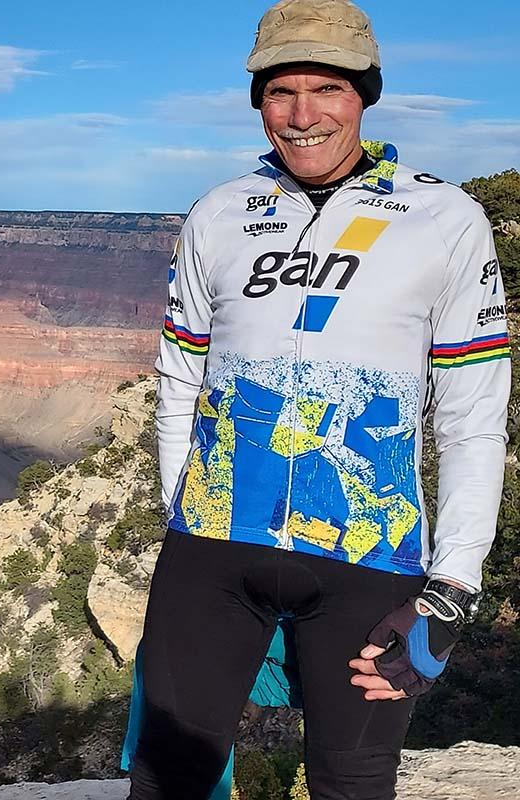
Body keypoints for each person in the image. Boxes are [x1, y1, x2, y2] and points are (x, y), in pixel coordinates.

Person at [135, 1, 511, 798]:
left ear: (365, 95)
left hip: (368, 554)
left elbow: (473, 419)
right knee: (170, 779)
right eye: (281, 92)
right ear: (258, 103)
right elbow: (179, 383)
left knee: (352, 781)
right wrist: (182, 522)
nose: (304, 115)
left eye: (328, 88)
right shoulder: (219, 214)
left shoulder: (443, 219)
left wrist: (451, 591)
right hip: (212, 549)